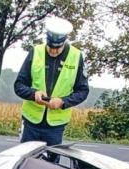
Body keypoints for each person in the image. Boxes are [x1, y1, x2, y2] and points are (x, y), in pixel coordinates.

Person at [14, 16, 89, 146]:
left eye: (57, 48)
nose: (53, 51)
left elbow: (82, 91)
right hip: (31, 122)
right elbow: (19, 85)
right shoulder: (36, 51)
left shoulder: (76, 57)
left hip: (56, 125)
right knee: (27, 162)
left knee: (51, 165)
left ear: (64, 42)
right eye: (50, 47)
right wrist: (33, 94)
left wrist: (63, 102)